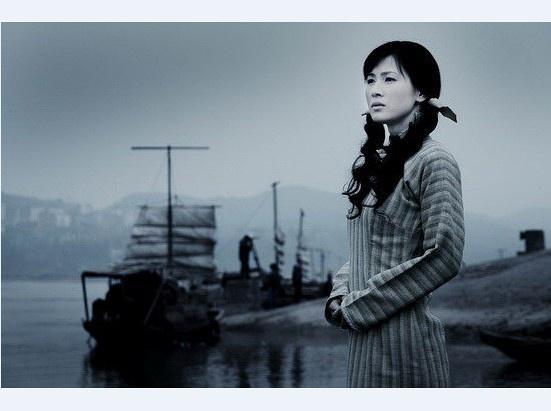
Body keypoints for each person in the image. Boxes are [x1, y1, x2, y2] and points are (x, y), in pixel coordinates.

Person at [324, 41, 465, 388]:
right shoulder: (375, 164)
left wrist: (358, 308)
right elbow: (367, 249)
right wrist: (339, 293)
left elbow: (444, 256)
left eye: (389, 79)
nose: (375, 90)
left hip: (407, 350)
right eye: (370, 80)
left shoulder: (434, 161)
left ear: (421, 92)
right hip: (363, 347)